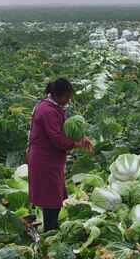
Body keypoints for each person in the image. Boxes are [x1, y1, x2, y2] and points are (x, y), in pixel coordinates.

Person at [27, 78, 93, 232]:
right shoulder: (47, 110)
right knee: (51, 198)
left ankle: (51, 228)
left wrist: (81, 138)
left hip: (51, 158)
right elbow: (57, 139)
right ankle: (50, 230)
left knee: (53, 195)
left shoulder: (51, 106)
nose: (68, 101)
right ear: (58, 95)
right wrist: (77, 144)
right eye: (67, 98)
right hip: (44, 159)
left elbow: (63, 131)